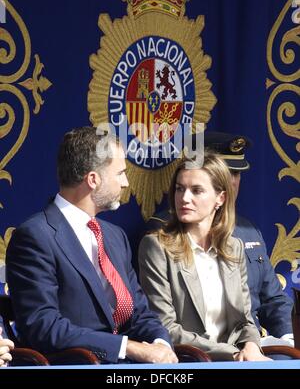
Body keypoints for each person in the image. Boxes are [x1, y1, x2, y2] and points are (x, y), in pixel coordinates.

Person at [6, 127, 177, 364]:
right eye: (120, 173)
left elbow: (139, 313)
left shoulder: (115, 236)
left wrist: (160, 344)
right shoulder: (35, 237)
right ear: (93, 179)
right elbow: (44, 327)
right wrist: (130, 348)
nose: (126, 183)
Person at [146, 131, 294, 346]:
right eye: (226, 173)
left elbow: (271, 299)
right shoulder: (161, 234)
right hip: (197, 351)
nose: (232, 182)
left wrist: (289, 339)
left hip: (250, 345)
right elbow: (163, 323)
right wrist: (232, 353)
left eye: (236, 174)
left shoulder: (246, 232)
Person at [139, 151, 271, 361]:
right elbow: (165, 328)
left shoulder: (234, 247)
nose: (184, 198)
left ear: (221, 198)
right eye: (179, 189)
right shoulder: (156, 246)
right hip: (188, 362)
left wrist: (252, 346)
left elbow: (245, 321)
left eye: (196, 190)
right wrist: (234, 354)